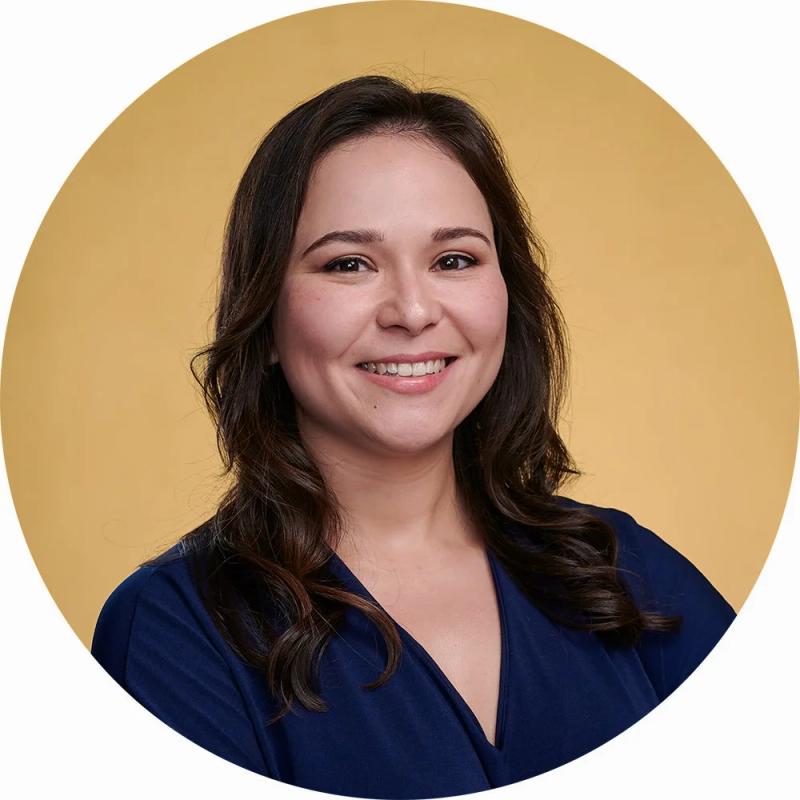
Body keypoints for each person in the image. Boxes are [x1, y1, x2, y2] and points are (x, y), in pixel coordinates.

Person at [91, 75, 735, 799]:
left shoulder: (628, 576)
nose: (413, 310)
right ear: (264, 315)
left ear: (507, 295)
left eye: (453, 259)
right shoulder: (175, 629)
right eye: (348, 264)